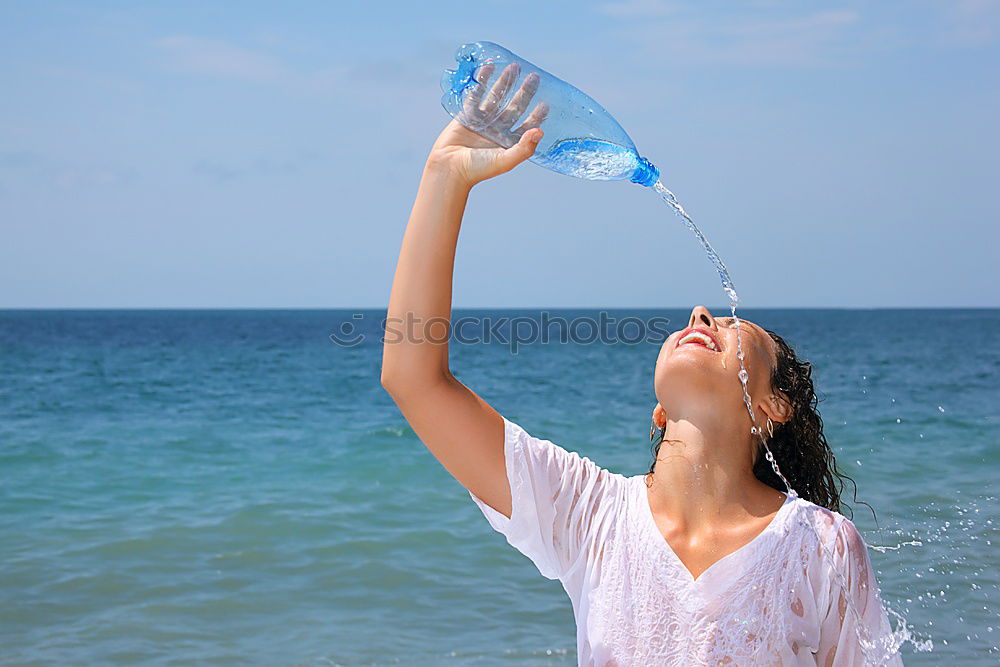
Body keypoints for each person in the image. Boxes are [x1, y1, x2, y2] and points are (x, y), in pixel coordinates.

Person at [381, 65, 902, 666]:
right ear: (659, 412)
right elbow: (413, 378)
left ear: (772, 406)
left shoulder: (820, 545)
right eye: (706, 318)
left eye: (736, 328)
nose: (703, 313)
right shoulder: (591, 517)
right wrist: (443, 180)